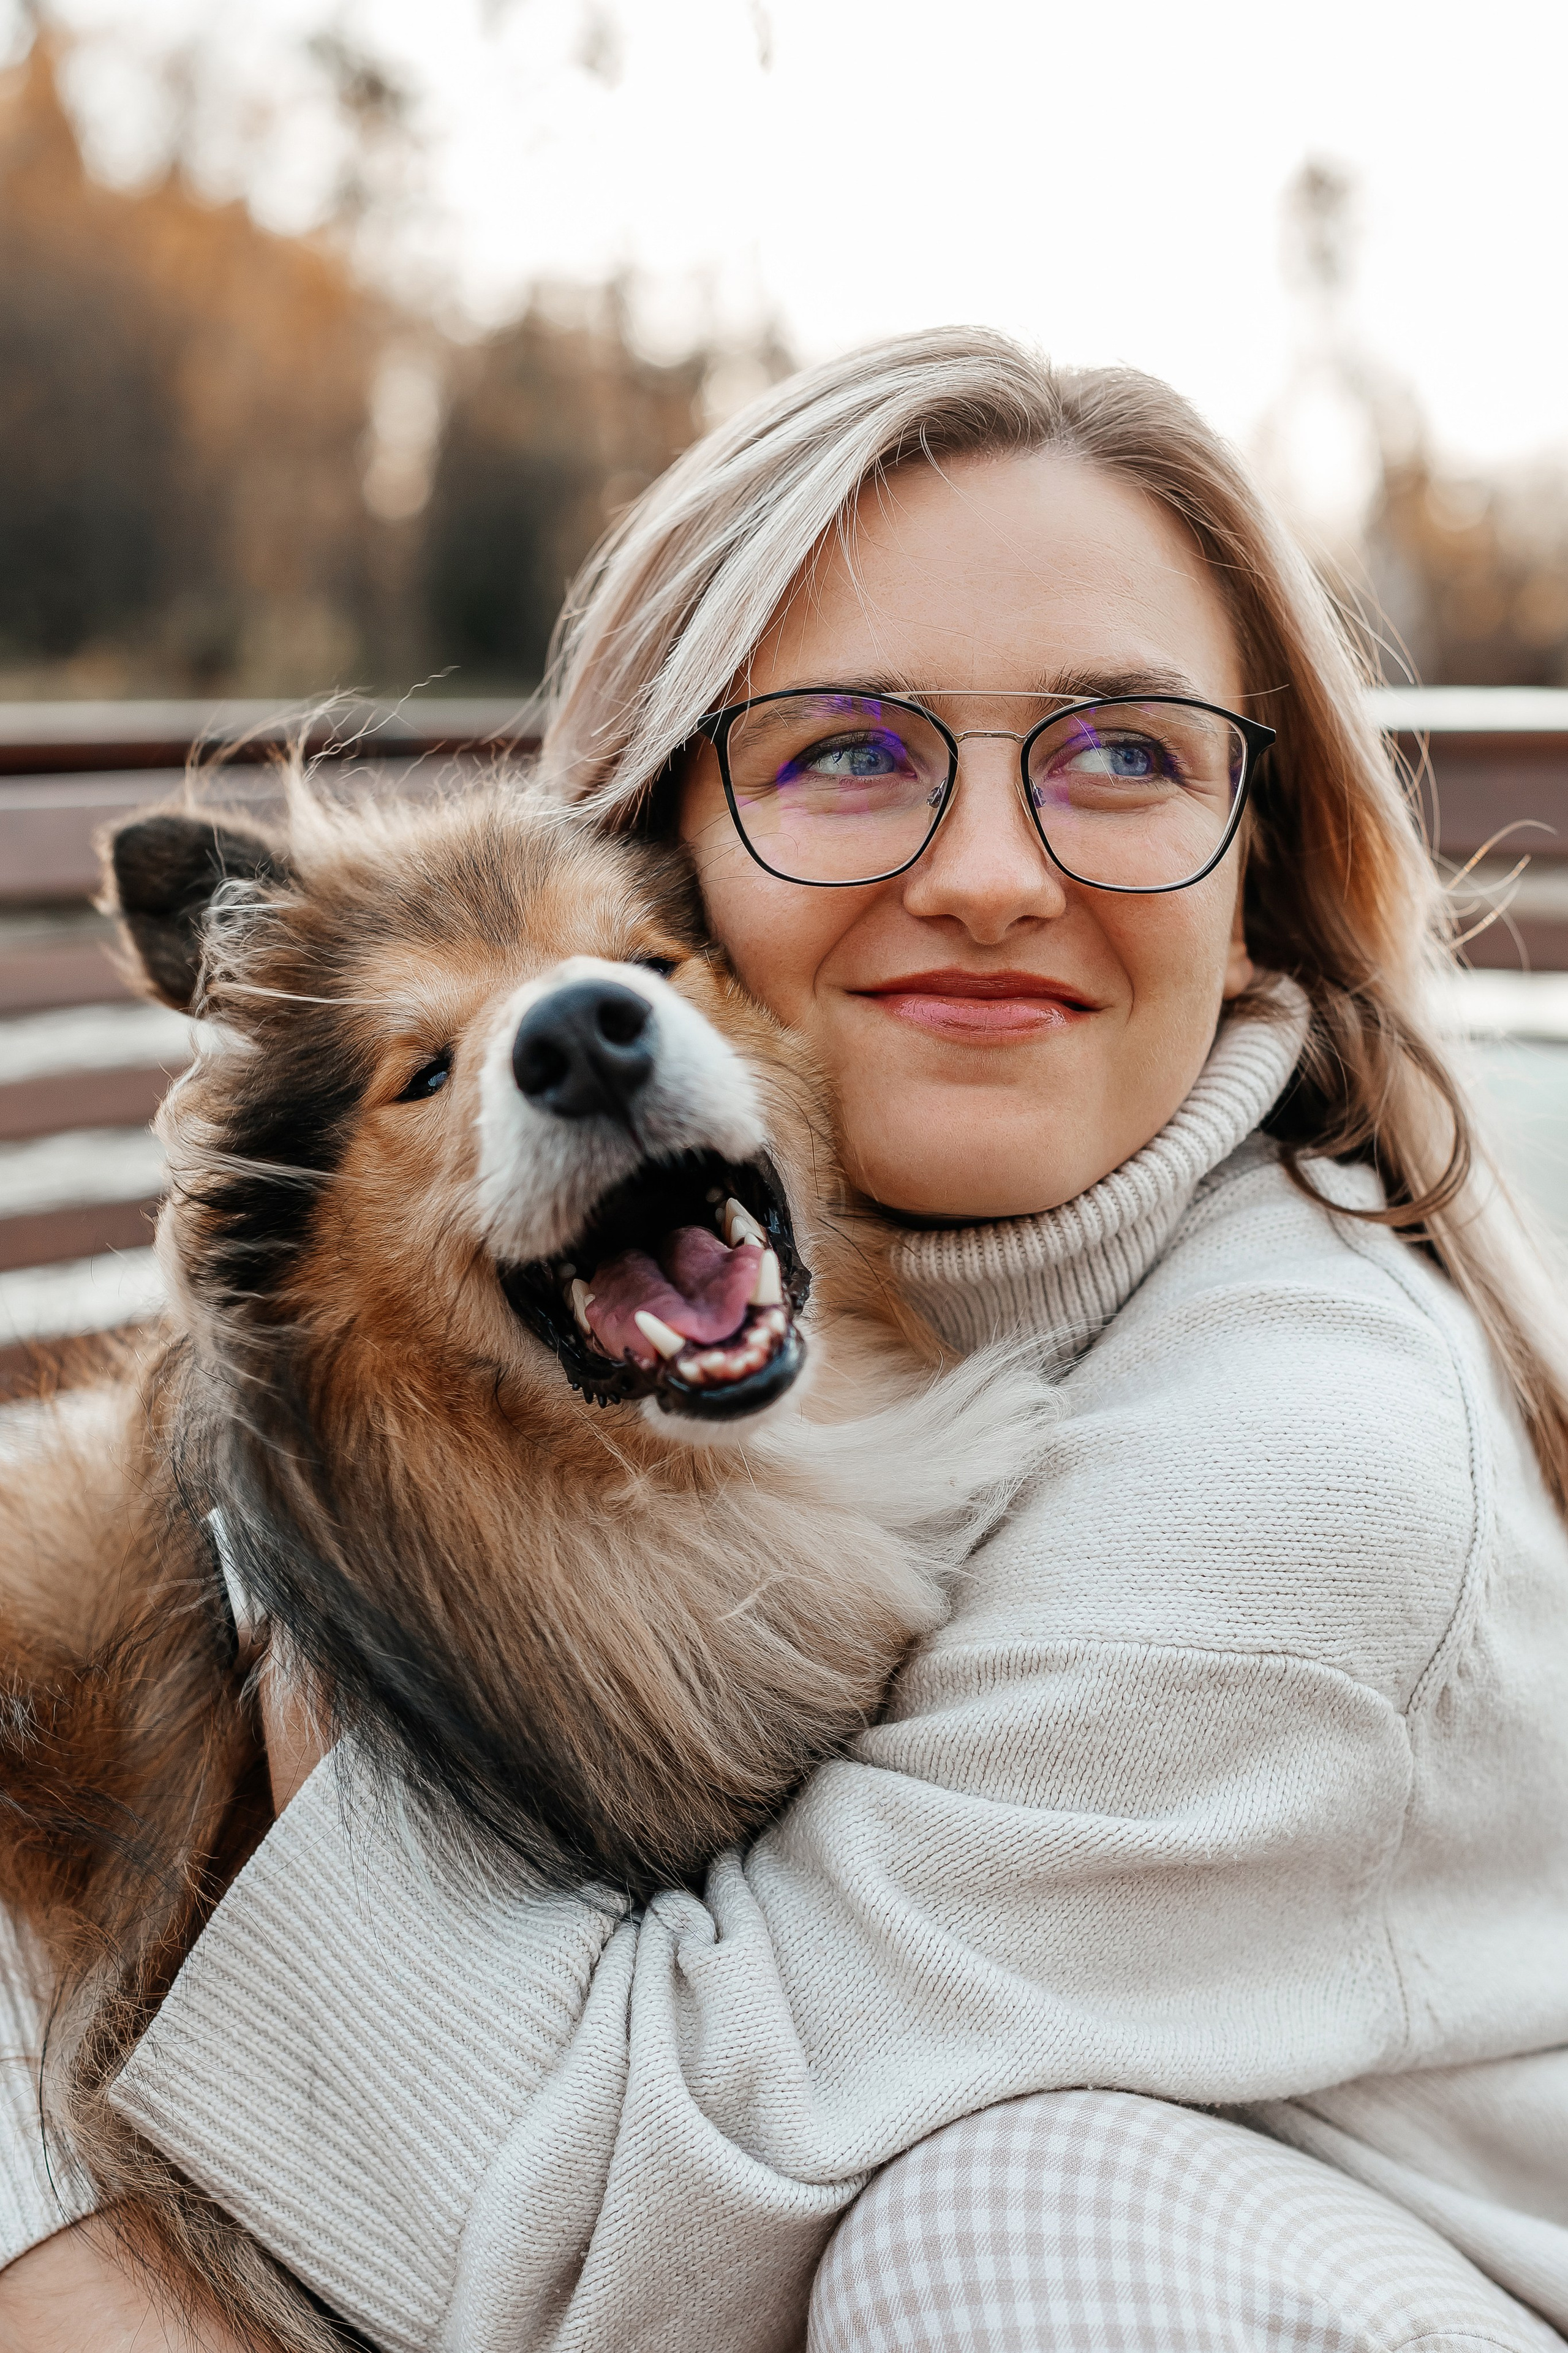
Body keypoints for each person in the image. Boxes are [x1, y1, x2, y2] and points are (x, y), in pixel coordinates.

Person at [7, 326, 1568, 2352]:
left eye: (1127, 753)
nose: (996, 876)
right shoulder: (844, 1290)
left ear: (1260, 873)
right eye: (848, 750)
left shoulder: (1302, 1474)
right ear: (692, 843)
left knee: (1000, 2219)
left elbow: (627, 2226)